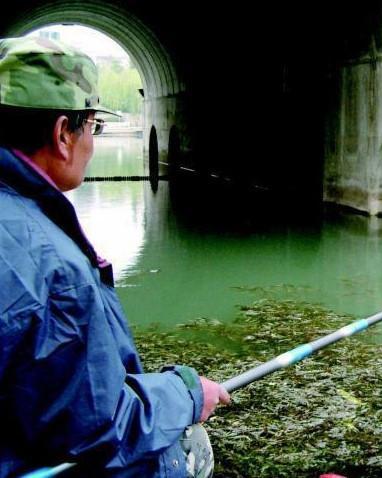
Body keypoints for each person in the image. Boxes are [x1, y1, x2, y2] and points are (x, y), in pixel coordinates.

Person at [0, 37, 230, 477]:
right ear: (63, 133)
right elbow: (97, 427)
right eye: (93, 128)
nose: (92, 143)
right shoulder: (52, 265)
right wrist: (185, 393)